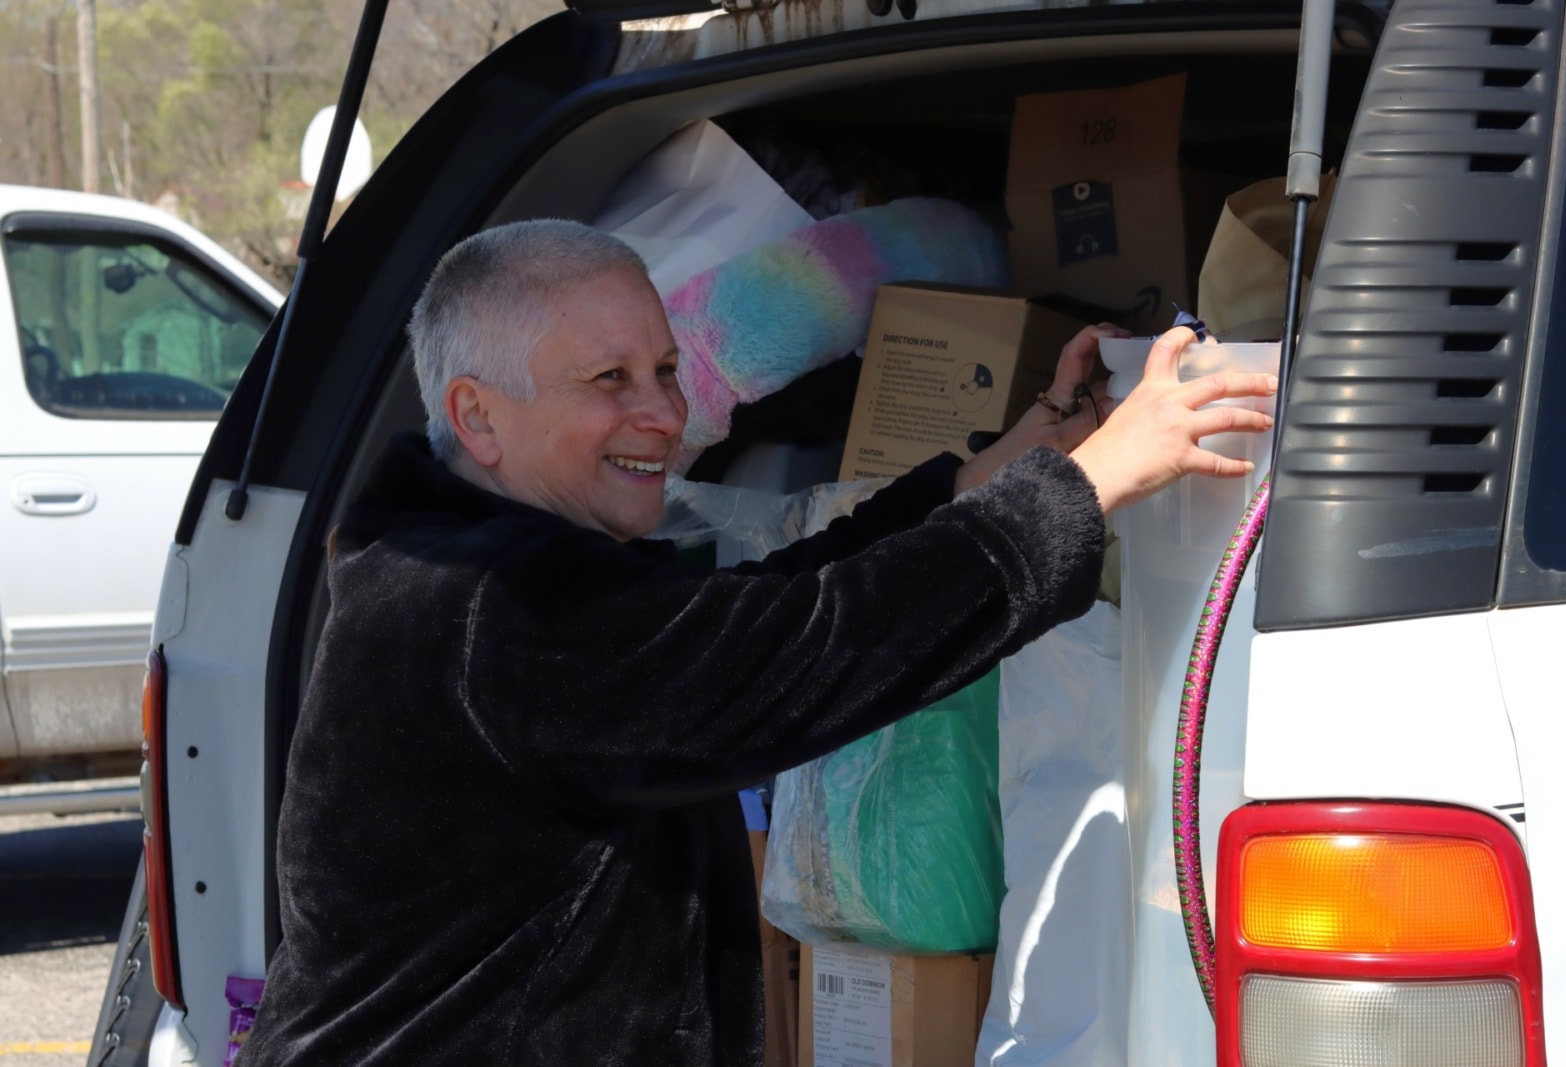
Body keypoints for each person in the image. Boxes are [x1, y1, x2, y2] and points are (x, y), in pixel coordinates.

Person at [237, 219, 1274, 1065]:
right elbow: (788, 656)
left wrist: (999, 468)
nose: (664, 415)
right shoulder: (489, 609)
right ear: (478, 415)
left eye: (663, 369)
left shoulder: (479, 557)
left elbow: (747, 617)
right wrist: (1084, 488)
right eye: (610, 380)